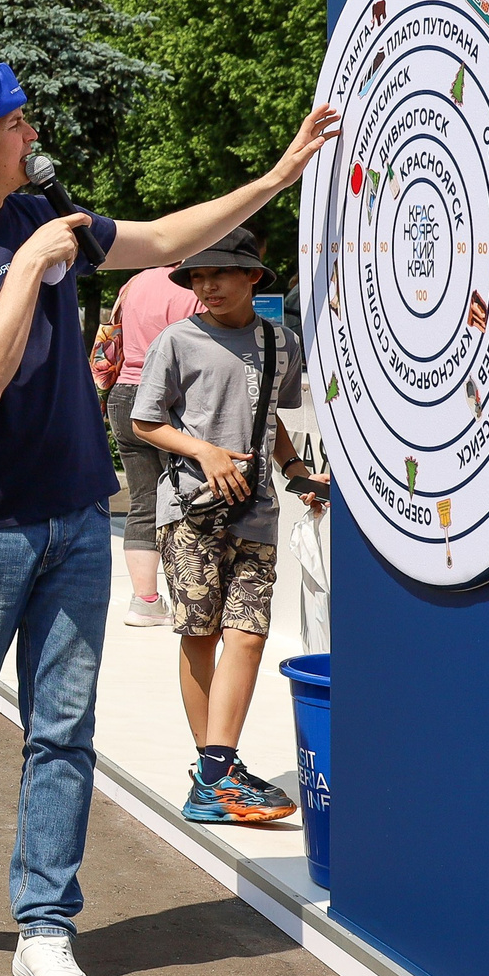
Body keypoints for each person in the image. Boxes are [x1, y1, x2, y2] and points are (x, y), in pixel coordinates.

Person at [0, 61, 335, 976]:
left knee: (64, 730)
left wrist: (276, 179)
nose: (31, 133)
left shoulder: (52, 223)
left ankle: (45, 928)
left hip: (77, 516)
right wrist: (31, 267)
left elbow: (164, 237)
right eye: (15, 122)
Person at [129, 228, 326, 825]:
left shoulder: (280, 342)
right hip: (189, 509)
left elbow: (269, 418)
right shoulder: (176, 341)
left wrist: (296, 472)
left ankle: (217, 767)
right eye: (196, 276)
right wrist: (207, 453)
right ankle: (214, 772)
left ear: (253, 278)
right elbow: (144, 422)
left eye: (219, 274)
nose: (206, 286)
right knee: (201, 633)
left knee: (249, 634)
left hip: (258, 510)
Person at [98, 265, 202, 626]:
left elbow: (113, 336)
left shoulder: (135, 282)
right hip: (167, 399)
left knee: (143, 500)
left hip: (124, 395)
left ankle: (145, 601)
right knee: (189, 498)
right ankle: (191, 599)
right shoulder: (193, 287)